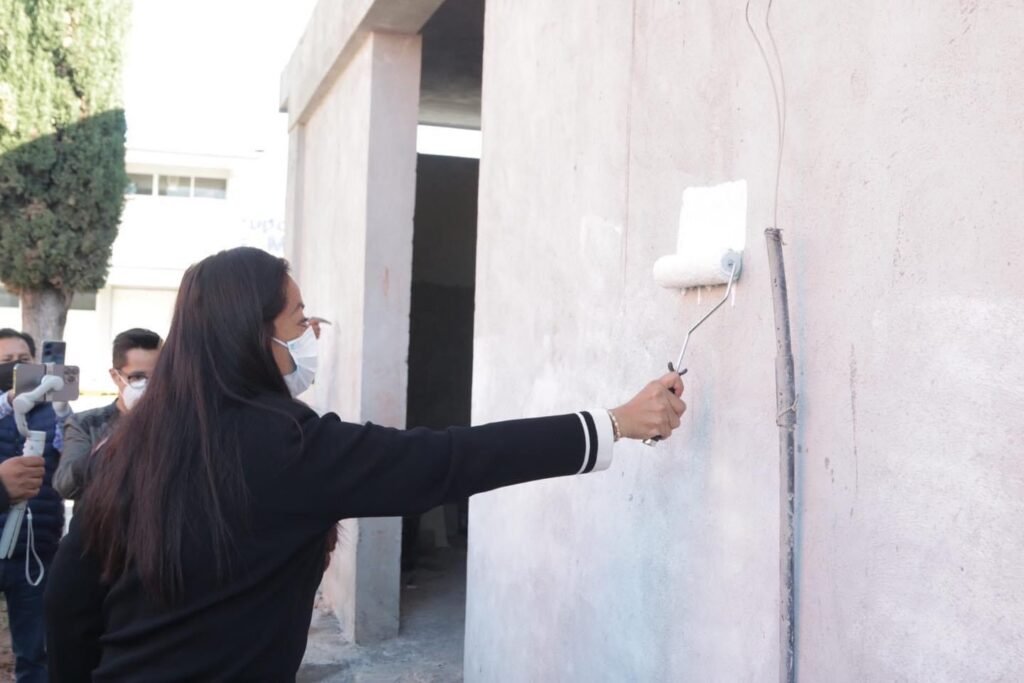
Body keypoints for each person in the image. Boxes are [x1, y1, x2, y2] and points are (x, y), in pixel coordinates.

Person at [44, 247, 686, 681]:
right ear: (254, 336)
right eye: (298, 320)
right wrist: (613, 423)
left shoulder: (130, 445)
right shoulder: (284, 447)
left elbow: (70, 606)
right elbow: (449, 460)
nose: (308, 335)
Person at [0, 329, 64, 683]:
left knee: (36, 653)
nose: (15, 367)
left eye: (23, 360)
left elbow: (70, 468)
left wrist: (63, 413)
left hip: (35, 552)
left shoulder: (54, 411)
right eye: (6, 360)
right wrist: (11, 400)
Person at [53, 328, 162, 502]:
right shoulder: (86, 424)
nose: (150, 386)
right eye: (137, 377)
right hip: (102, 518)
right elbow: (66, 485)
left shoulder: (178, 424)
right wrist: (111, 447)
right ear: (116, 376)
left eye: (158, 376)